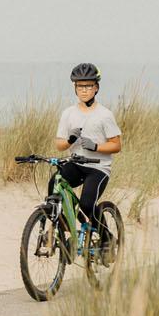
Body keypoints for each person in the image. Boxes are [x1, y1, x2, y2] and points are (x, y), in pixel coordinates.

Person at [55, 62, 123, 242]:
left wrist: (96, 147)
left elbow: (116, 145)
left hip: (98, 168)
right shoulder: (68, 113)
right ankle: (63, 228)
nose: (84, 90)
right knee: (55, 185)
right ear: (75, 88)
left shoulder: (104, 115)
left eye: (88, 86)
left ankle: (106, 238)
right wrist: (69, 140)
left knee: (86, 204)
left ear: (96, 88)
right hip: (76, 163)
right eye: (80, 86)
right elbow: (59, 145)